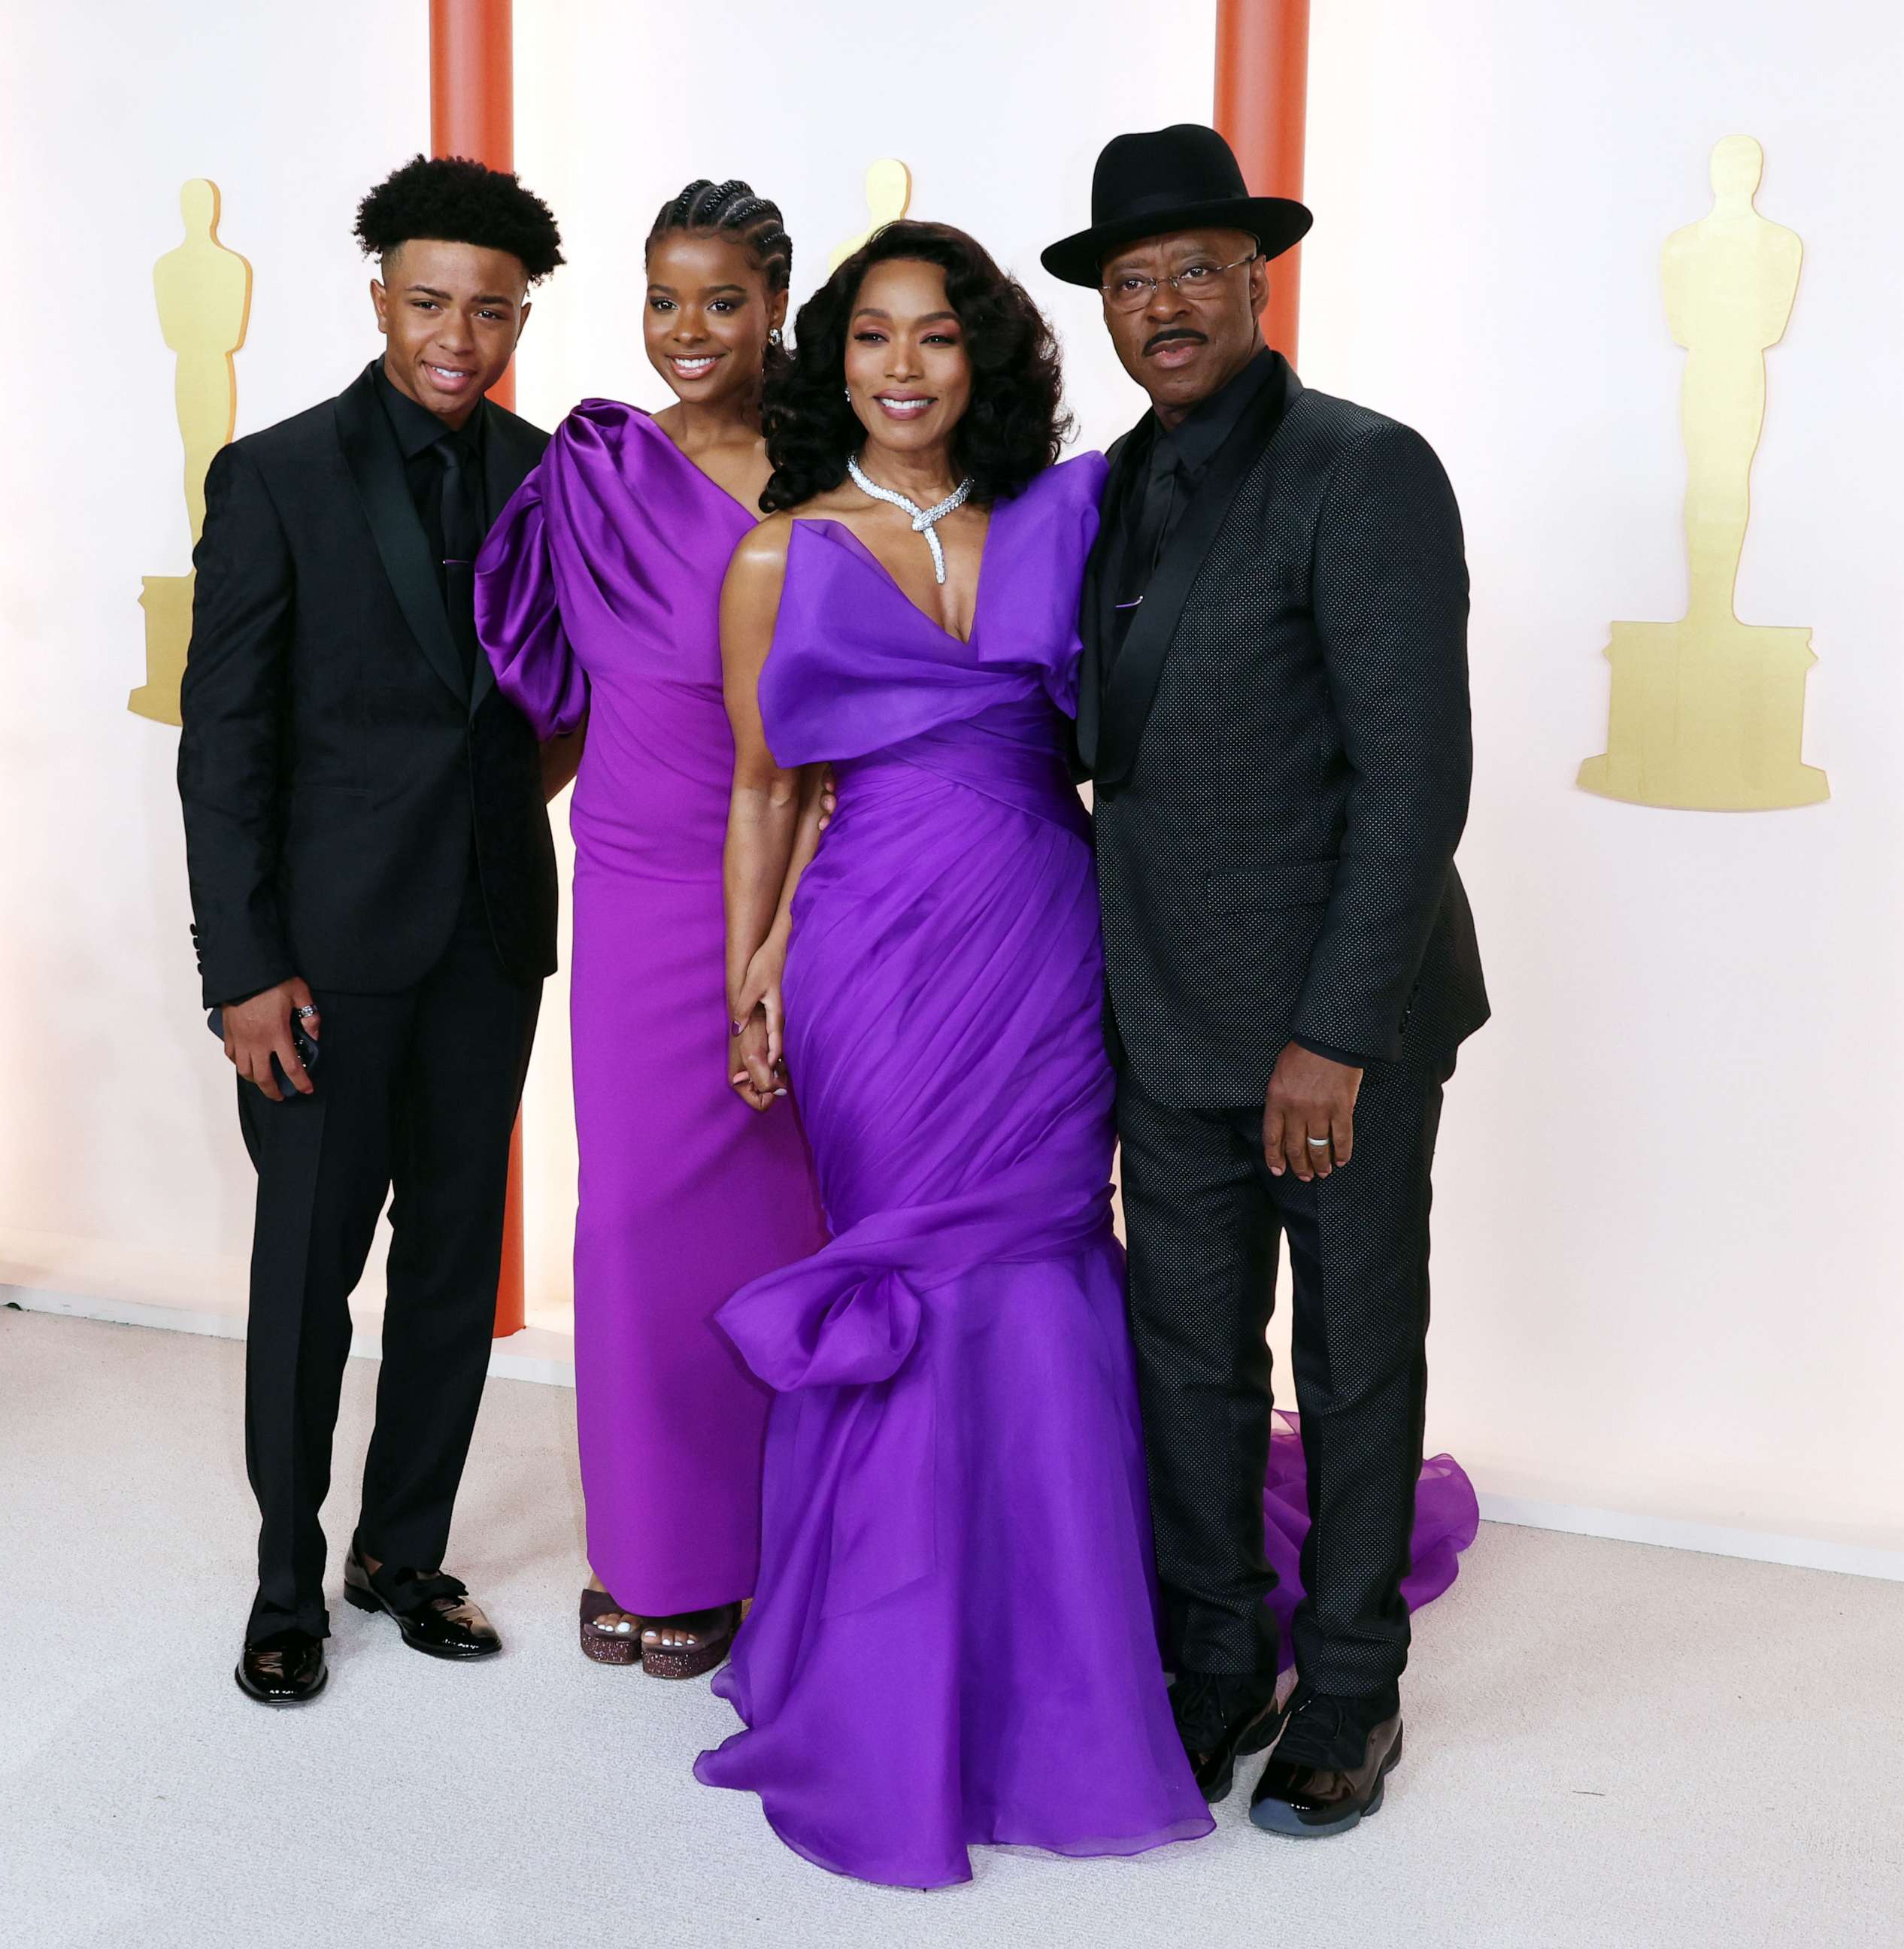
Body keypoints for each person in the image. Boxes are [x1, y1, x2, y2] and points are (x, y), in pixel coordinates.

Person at [696, 222, 1214, 1887]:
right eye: (869, 338)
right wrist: (747, 976)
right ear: (830, 361)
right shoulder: (780, 553)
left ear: (982, 358)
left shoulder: (1064, 519)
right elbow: (767, 789)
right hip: (868, 959)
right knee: (916, 1274)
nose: (901, 368)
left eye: (933, 336)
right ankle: (881, 1667)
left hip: (1046, 939)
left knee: (1049, 1261)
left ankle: (1062, 1666)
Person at [1041, 123, 1489, 1835]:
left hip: (1337, 1025)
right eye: (1130, 279)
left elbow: (1412, 782)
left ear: (1257, 277)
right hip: (1159, 1012)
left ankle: (1353, 1691)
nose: (1162, 304)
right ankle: (1215, 1663)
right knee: (1191, 1362)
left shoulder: (1365, 471)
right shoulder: (1107, 493)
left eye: (1192, 270)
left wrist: (1332, 1036)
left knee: (1358, 1357)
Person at [178, 156, 566, 1706]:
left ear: (520, 312)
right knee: (306, 1276)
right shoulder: (275, 476)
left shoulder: (552, 477)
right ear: (378, 297)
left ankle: (404, 1551)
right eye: (428, 303)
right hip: (321, 960)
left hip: (487, 940)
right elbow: (224, 749)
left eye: (490, 310)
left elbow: (562, 697)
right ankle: (286, 1579)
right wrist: (242, 971)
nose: (457, 337)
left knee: (457, 1268)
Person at [474, 180, 826, 1678]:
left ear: (776, 309)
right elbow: (552, 707)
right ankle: (651, 1549)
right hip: (623, 877)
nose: (689, 332)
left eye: (723, 302)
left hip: (790, 878)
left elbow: (843, 721)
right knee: (623, 1225)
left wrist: (793, 932)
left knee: (779, 1218)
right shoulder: (596, 468)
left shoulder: (832, 468)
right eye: (663, 300)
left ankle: (777, 1545)